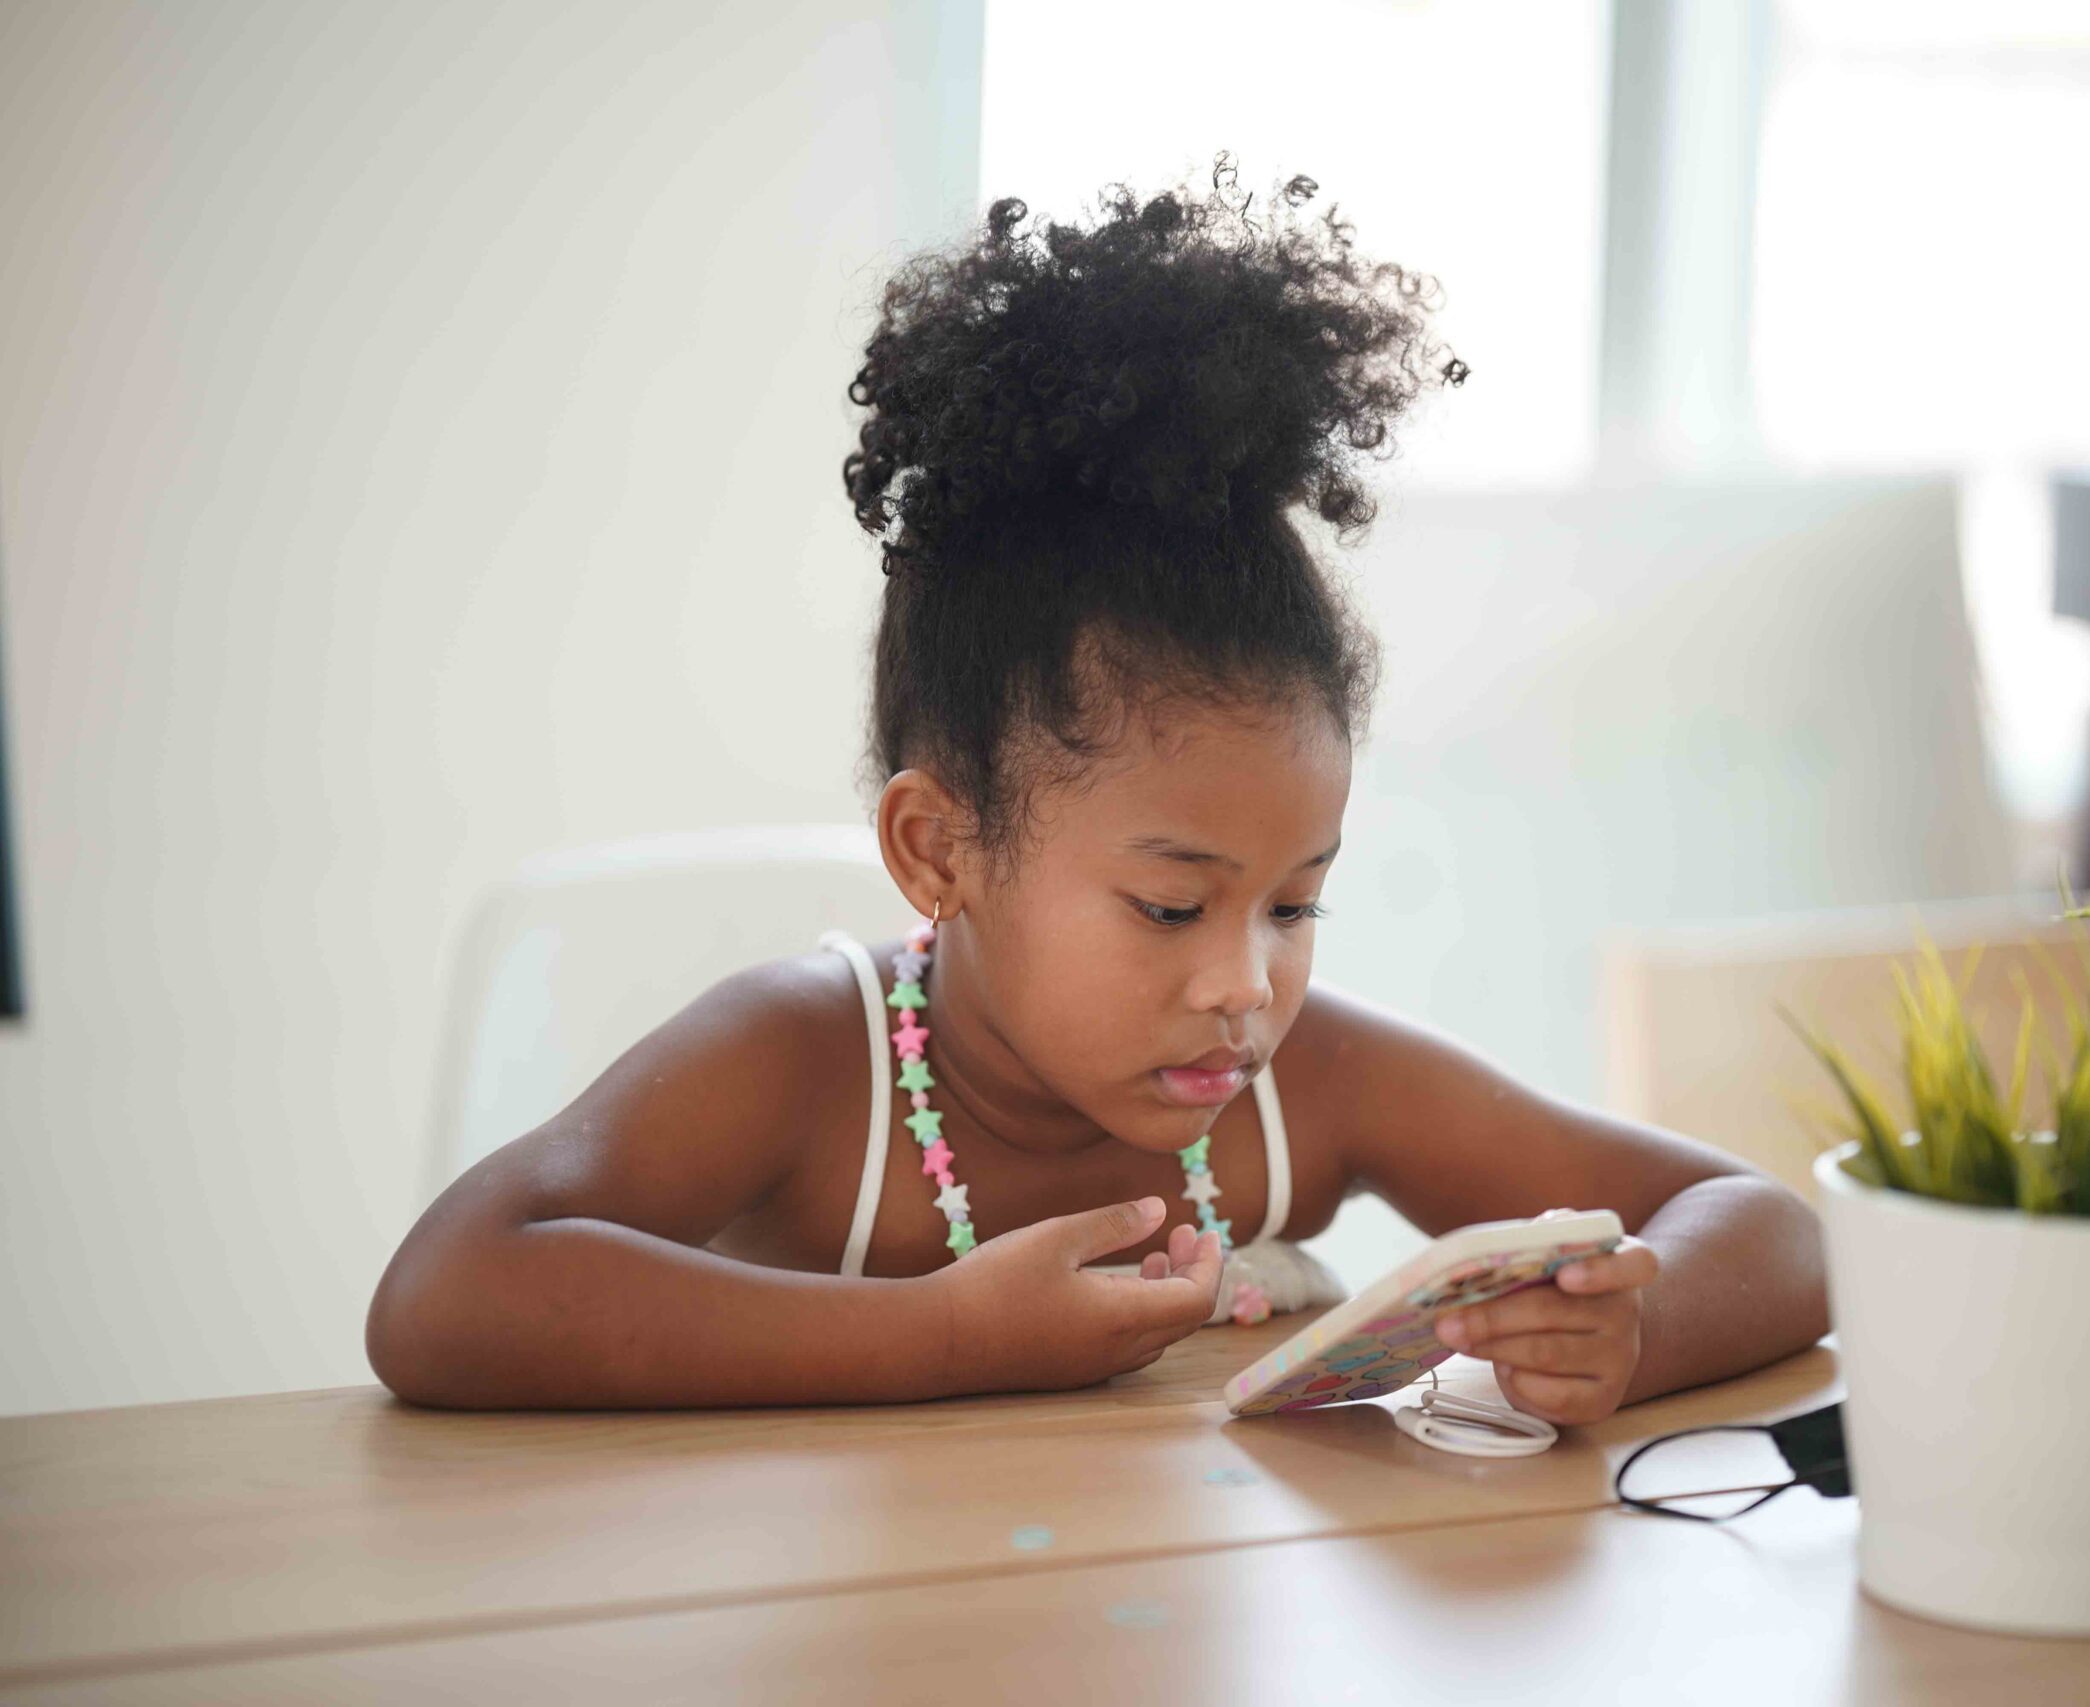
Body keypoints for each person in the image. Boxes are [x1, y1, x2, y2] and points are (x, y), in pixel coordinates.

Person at [367, 159, 1827, 1421]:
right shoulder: (811, 1068)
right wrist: (944, 1337)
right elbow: (447, 1298)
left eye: (1297, 903)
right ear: (941, 850)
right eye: (1174, 902)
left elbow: (1766, 1227)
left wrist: (1634, 1331)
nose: (1245, 982)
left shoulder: (1300, 1092)